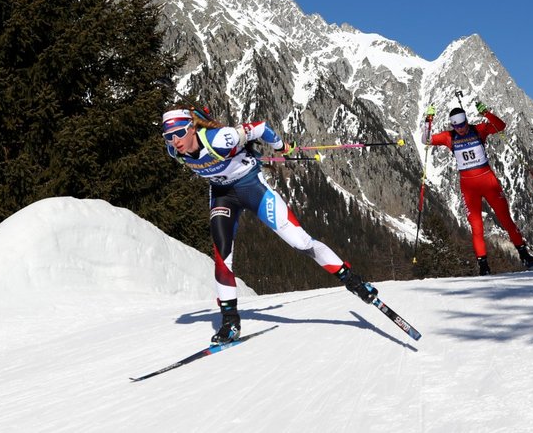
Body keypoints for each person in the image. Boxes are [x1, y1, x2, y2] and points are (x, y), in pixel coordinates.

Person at [161, 106, 378, 344]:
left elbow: (261, 128)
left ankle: (353, 281)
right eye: (168, 136)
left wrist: (280, 147)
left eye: (179, 133)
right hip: (223, 195)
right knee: (222, 255)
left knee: (300, 241)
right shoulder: (175, 151)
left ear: (191, 128)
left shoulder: (220, 139)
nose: (175, 141)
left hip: (252, 188)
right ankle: (230, 322)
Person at [421, 101, 533, 275]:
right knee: (476, 227)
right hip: (469, 187)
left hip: (488, 182)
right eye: (457, 126)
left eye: (463, 124)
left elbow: (500, 126)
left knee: (506, 220)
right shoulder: (449, 137)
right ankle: (483, 267)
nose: (461, 129)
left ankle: (525, 256)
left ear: (467, 121)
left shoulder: (479, 130)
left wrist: (486, 113)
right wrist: (428, 119)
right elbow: (426, 140)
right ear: (452, 125)